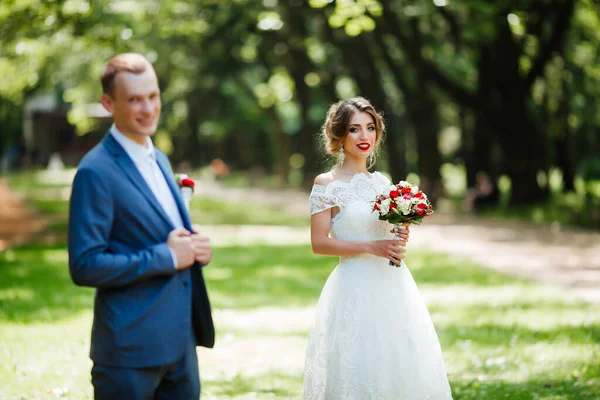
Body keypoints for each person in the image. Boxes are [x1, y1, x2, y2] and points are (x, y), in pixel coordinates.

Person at [68, 53, 214, 399]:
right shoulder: (95, 171)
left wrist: (193, 248)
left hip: (180, 345)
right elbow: (85, 264)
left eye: (153, 96)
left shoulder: (159, 158)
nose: (148, 109)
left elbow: (160, 233)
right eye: (134, 99)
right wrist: (165, 256)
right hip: (128, 354)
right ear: (108, 103)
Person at [302, 97, 452, 399]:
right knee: (357, 364)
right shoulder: (326, 183)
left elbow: (387, 232)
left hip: (392, 286)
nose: (364, 136)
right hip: (353, 286)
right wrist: (373, 246)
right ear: (340, 135)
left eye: (370, 128)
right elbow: (319, 243)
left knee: (397, 362)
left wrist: (400, 233)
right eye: (354, 129)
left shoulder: (382, 184)